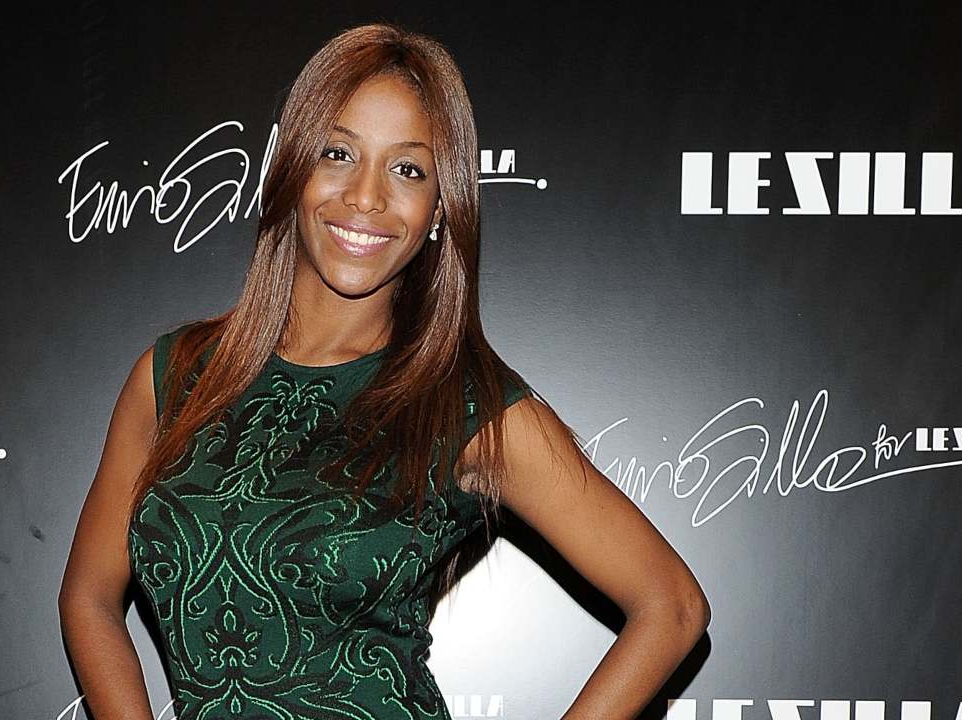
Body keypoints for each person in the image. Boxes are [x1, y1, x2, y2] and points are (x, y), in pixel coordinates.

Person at [59, 21, 709, 720]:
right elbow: (89, 597)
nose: (366, 196)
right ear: (293, 170)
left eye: (408, 170)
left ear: (440, 208)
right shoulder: (176, 376)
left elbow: (671, 605)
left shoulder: (463, 405)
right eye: (338, 153)